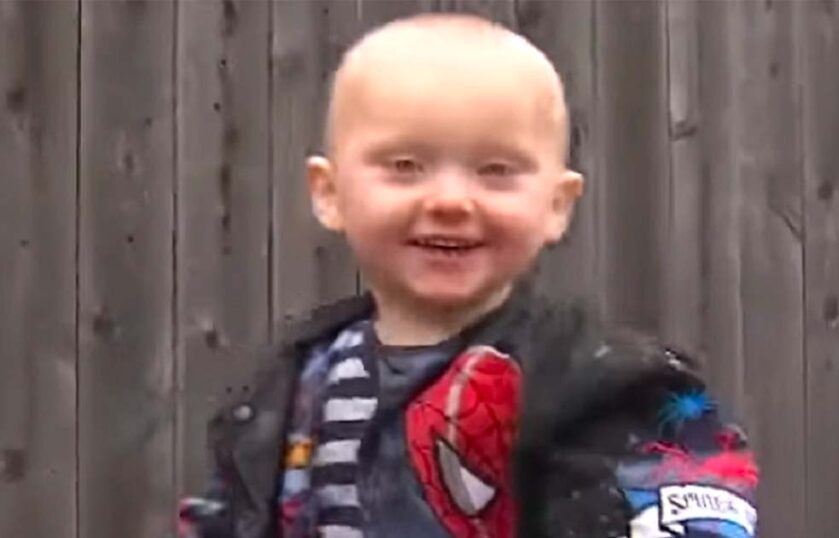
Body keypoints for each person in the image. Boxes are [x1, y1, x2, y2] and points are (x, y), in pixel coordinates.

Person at [178, 13, 758, 538]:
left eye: (496, 171)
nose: (451, 200)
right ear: (329, 194)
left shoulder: (608, 386)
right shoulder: (286, 386)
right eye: (405, 166)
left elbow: (698, 515)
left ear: (557, 204)